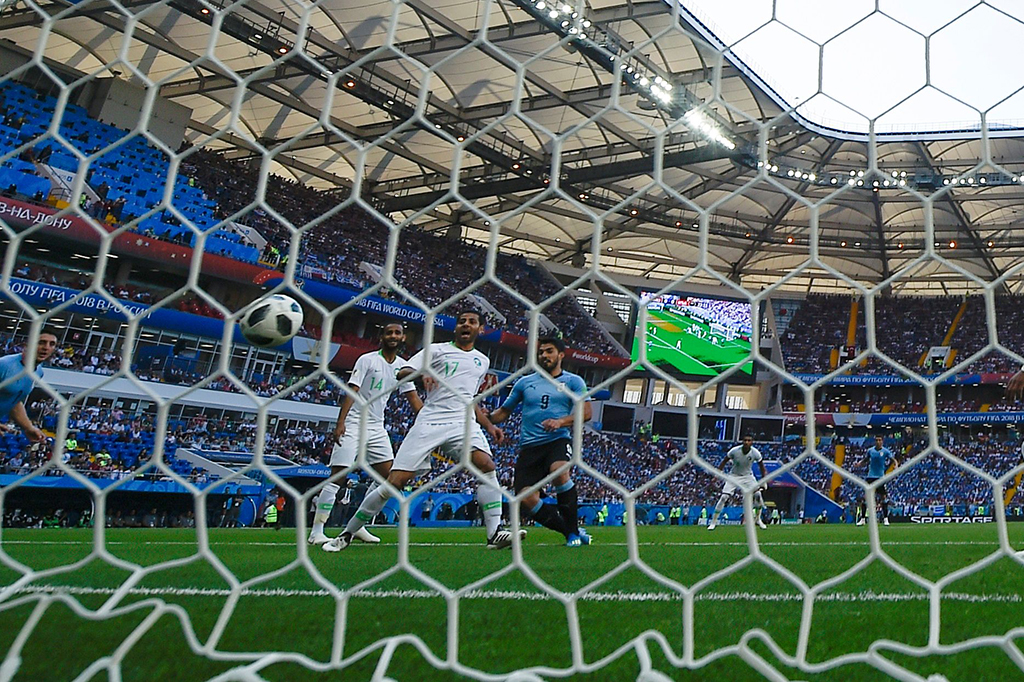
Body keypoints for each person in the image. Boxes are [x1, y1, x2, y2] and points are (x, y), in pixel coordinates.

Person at [324, 308, 516, 552]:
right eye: (461, 321)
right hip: (430, 420)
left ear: (481, 330)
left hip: (462, 422)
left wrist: (488, 425)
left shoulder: (482, 361)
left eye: (471, 322)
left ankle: (494, 534)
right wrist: (420, 373)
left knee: (487, 465)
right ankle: (347, 533)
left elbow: (471, 398)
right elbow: (402, 372)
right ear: (456, 328)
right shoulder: (436, 350)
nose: (465, 325)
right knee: (395, 481)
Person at [308, 323, 423, 546]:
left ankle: (357, 526)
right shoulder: (367, 359)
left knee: (390, 479)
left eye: (397, 333)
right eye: (389, 332)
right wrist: (341, 422)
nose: (393, 336)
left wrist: (430, 420)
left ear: (403, 338)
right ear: (382, 336)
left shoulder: (402, 367)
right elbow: (353, 390)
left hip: (377, 427)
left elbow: (413, 397)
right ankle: (317, 531)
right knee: (338, 476)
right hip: (353, 423)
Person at [488, 337, 592, 546]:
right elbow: (503, 413)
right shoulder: (525, 383)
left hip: (557, 441)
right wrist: (486, 418)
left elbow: (587, 413)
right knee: (526, 498)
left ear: (561, 355)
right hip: (529, 446)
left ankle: (572, 534)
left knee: (560, 473)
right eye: (541, 352)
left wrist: (561, 421)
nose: (544, 355)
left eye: (549, 351)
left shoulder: (573, 382)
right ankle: (571, 531)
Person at [0, 328, 58, 443]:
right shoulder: (4, 365)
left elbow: (14, 401)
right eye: (41, 342)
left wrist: (28, 428)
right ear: (27, 345)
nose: (46, 347)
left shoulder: (38, 372)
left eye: (52, 344)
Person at [707, 435, 768, 531]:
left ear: (752, 442)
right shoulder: (734, 451)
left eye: (749, 440)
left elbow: (762, 467)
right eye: (745, 440)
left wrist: (764, 480)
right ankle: (713, 522)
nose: (747, 442)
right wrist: (717, 475)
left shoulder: (755, 453)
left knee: (758, 495)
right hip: (734, 476)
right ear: (742, 441)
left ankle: (758, 519)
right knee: (724, 497)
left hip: (748, 476)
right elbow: (724, 462)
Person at [858, 434, 898, 526]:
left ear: (882, 441)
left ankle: (885, 519)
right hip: (870, 476)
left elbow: (893, 459)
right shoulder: (870, 451)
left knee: (883, 498)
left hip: (880, 477)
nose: (878, 442)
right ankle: (863, 519)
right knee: (865, 498)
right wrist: (860, 463)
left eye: (880, 440)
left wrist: (896, 465)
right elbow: (866, 459)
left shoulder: (885, 451)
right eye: (876, 440)